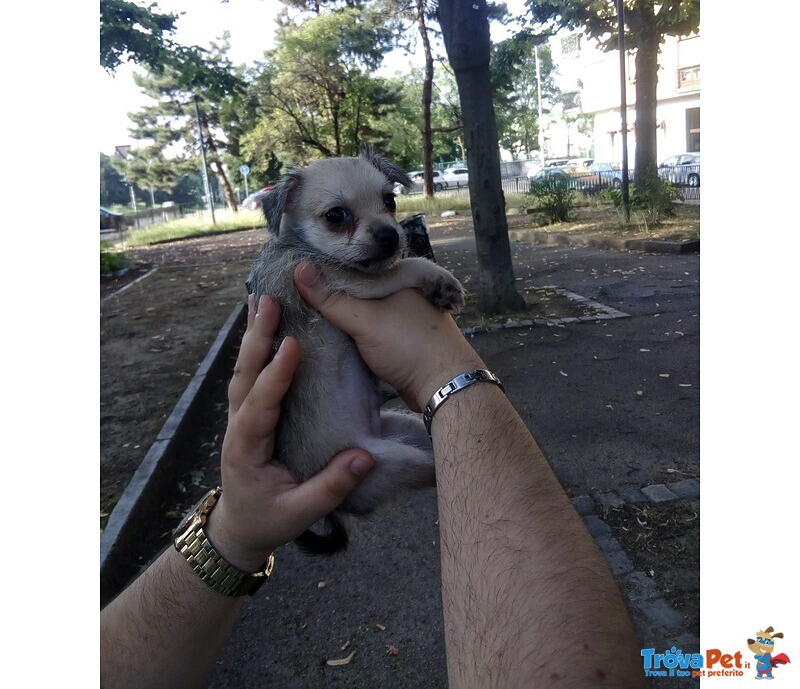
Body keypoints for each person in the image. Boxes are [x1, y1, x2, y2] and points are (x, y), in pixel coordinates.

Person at [101, 263, 645, 689]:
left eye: (386, 202)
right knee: (453, 460)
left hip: (361, 431)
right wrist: (445, 362)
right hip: (359, 446)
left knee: (449, 452)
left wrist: (231, 534)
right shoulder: (294, 264)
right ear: (287, 211)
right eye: (337, 217)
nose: (377, 228)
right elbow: (351, 277)